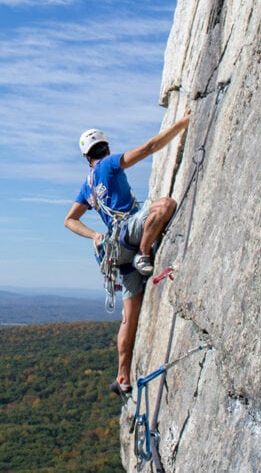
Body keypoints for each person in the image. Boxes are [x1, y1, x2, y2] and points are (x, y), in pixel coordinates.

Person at [64, 111, 190, 395]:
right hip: (130, 233)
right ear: (106, 148)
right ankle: (144, 253)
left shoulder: (88, 185)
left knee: (129, 317)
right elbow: (148, 149)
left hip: (115, 249)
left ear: (86, 157)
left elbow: (69, 219)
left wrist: (95, 235)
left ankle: (122, 377)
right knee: (164, 205)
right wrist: (181, 124)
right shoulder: (109, 163)